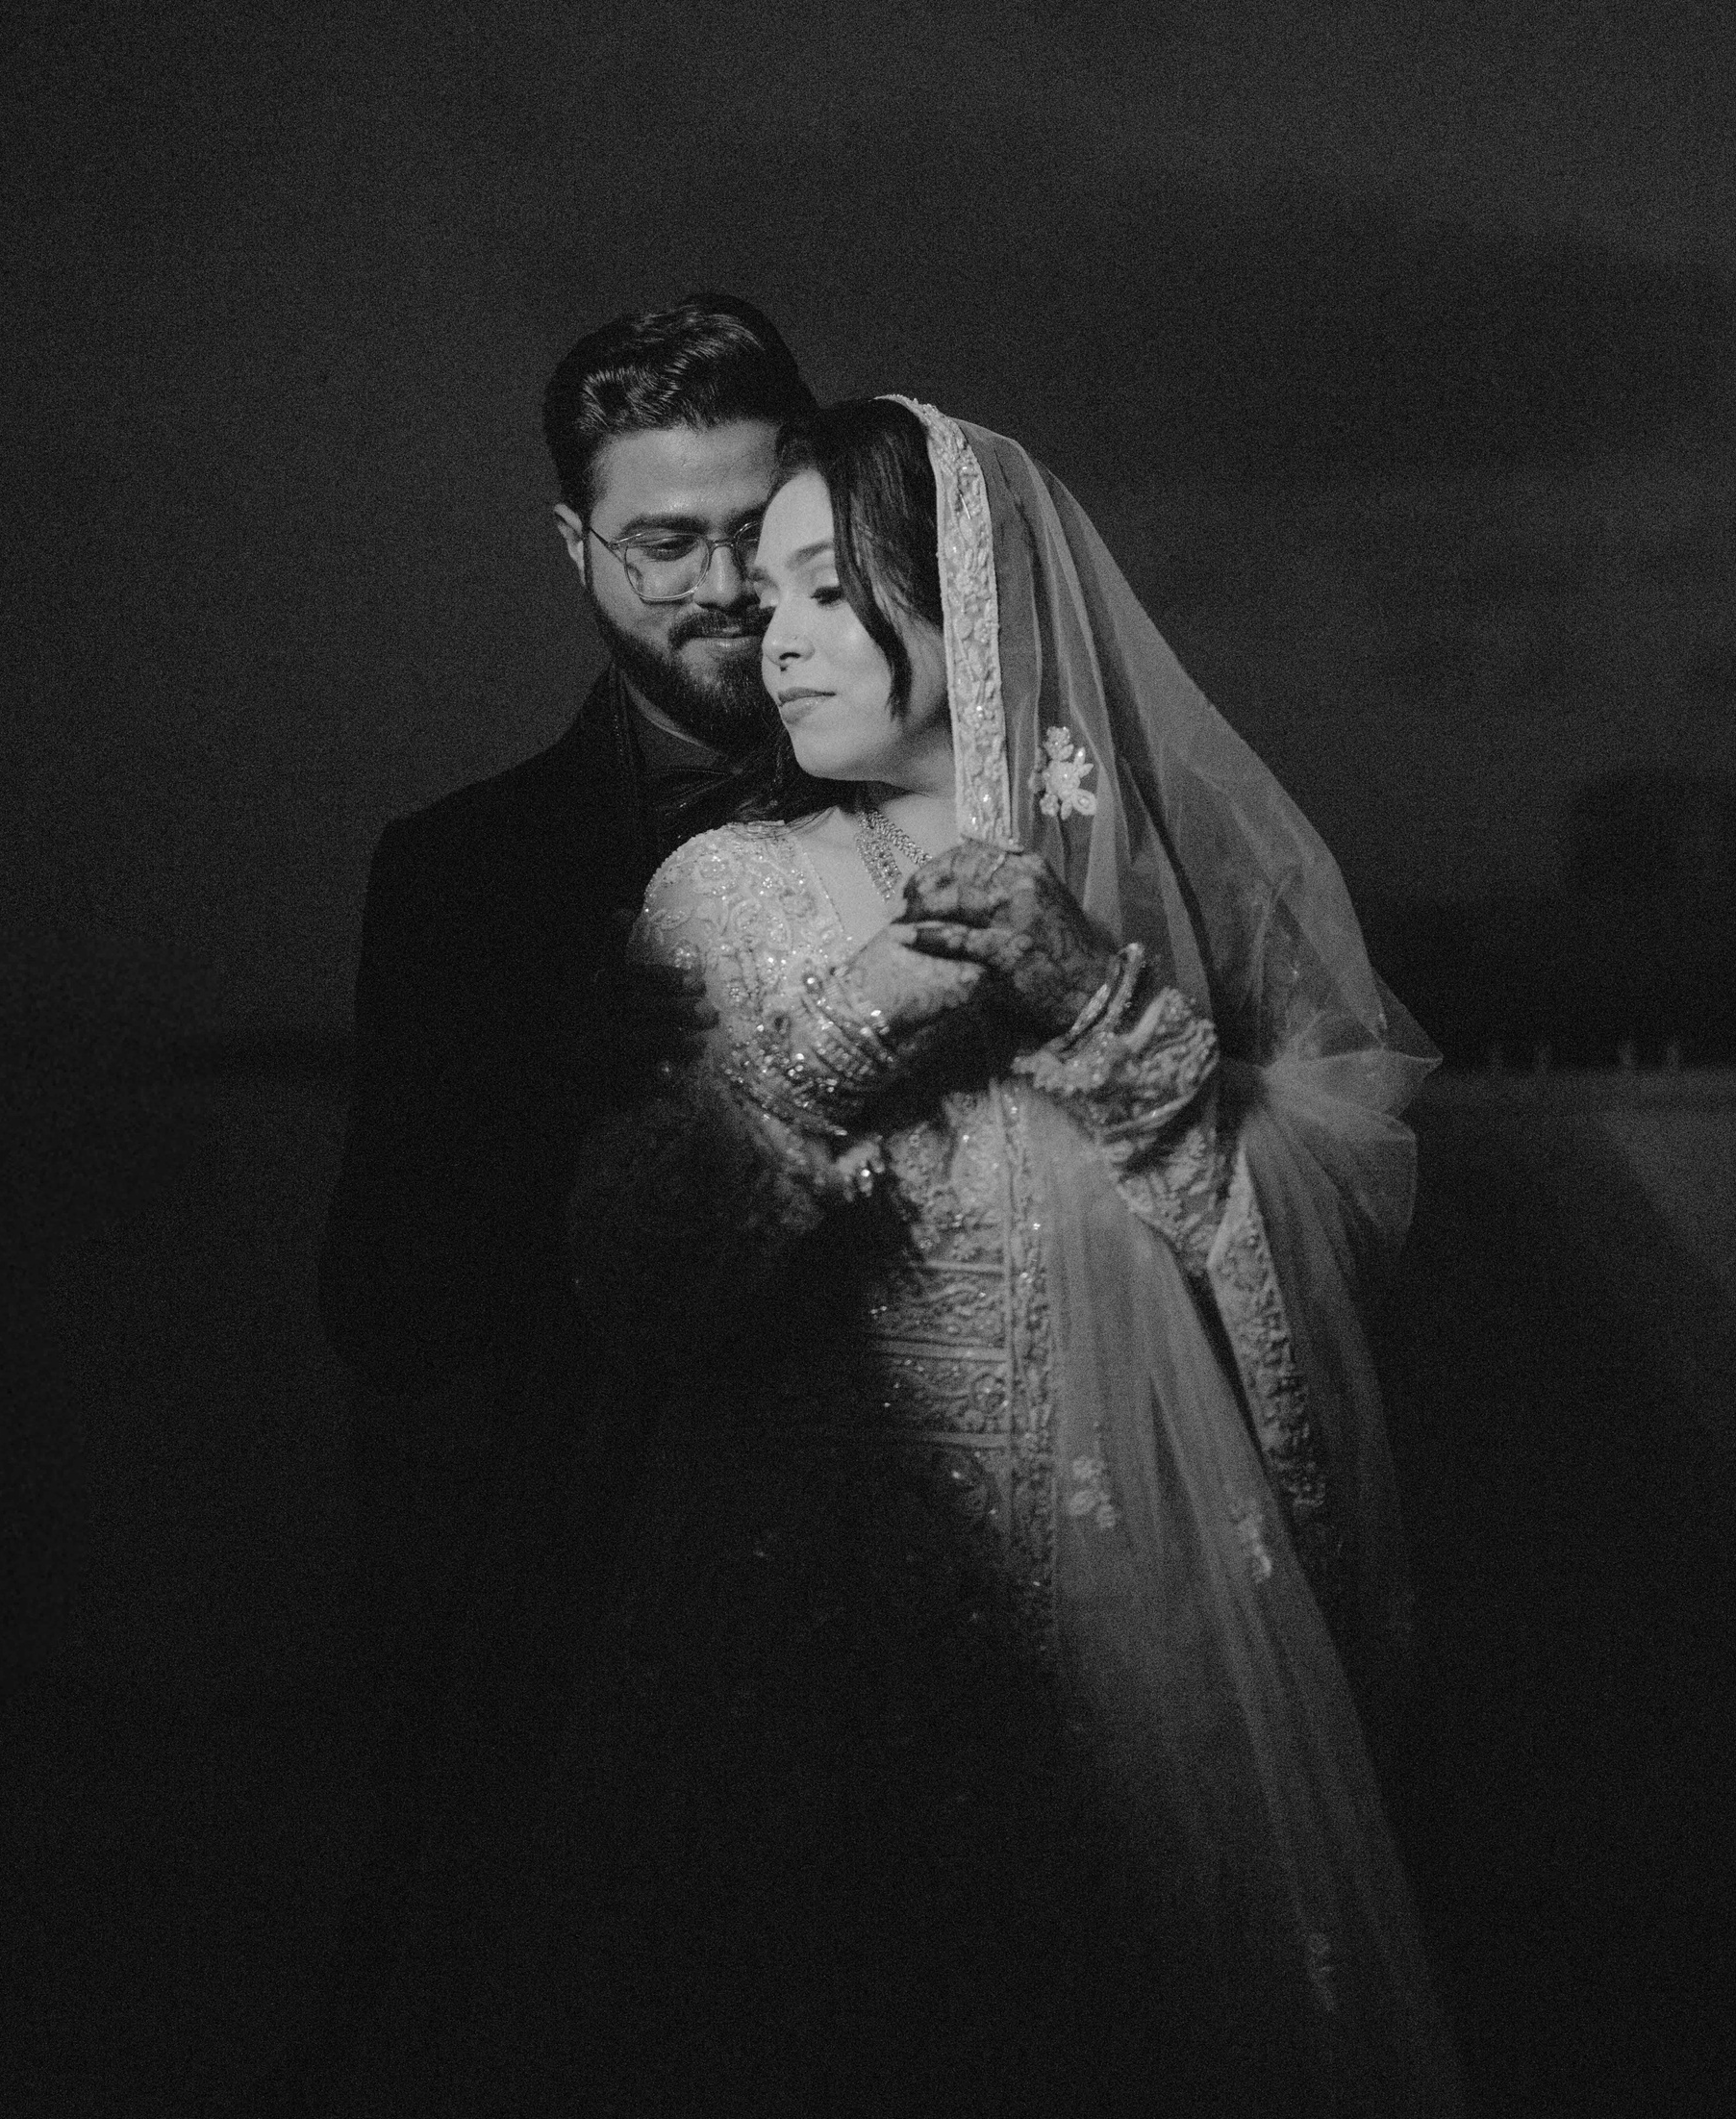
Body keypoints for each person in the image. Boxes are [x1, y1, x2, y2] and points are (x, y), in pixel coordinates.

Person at [467, 396, 1466, 2115]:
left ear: (972, 605)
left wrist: (1093, 1002)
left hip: (1123, 1616)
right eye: (765, 597)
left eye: (827, 590)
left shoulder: (1136, 906)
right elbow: (636, 1285)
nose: (775, 638)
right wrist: (858, 1020)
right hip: (796, 1619)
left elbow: (1283, 1245)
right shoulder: (725, 890)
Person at [291, 295, 817, 2106]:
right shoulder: (461, 875)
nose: (725, 588)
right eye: (666, 543)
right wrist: (554, 1090)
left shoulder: (962, 811)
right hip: (579, 1608)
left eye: (757, 528)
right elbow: (384, 1310)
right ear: (574, 545)